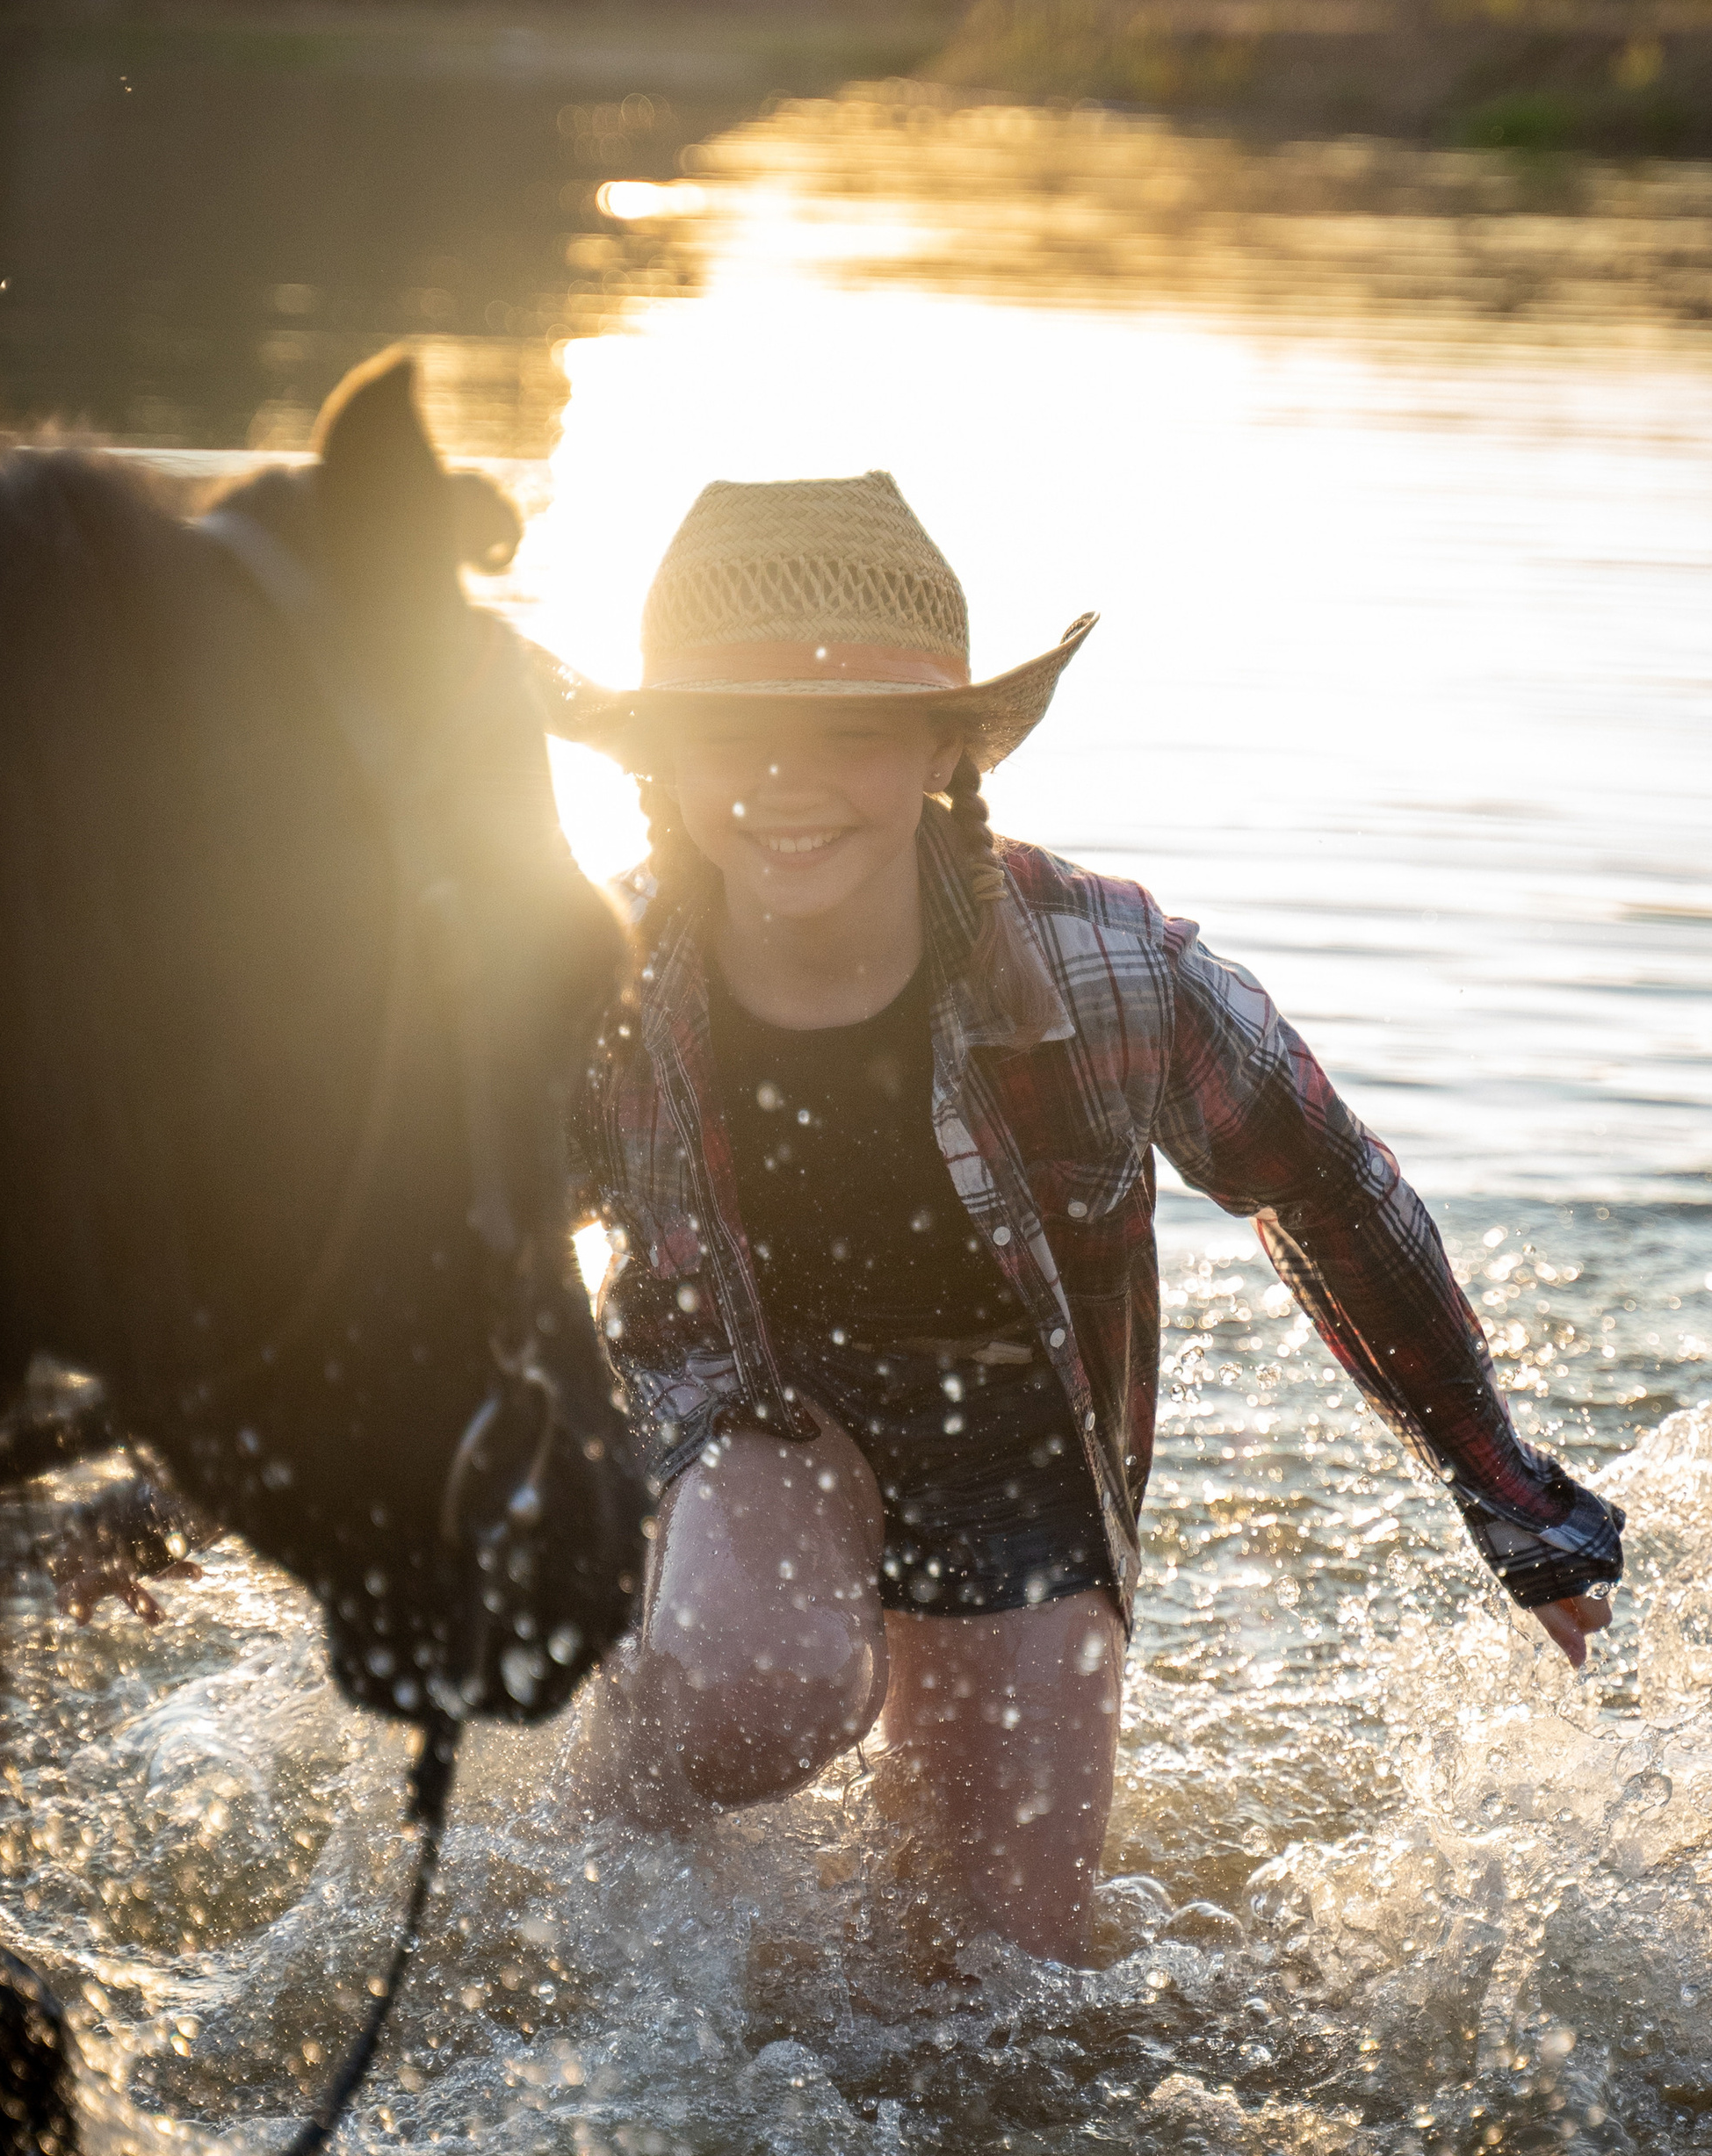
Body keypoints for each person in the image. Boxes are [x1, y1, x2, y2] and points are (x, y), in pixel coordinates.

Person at [530, 472, 1624, 1965]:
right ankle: (603, 1795)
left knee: (989, 2003)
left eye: (849, 730)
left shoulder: (1117, 974)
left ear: (941, 748)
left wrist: (1502, 1487)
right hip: (742, 1412)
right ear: (660, 756)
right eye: (734, 730)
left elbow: (1333, 1190)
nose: (785, 782)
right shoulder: (586, 990)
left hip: (1023, 1452)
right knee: (756, 1688)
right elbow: (423, 1260)